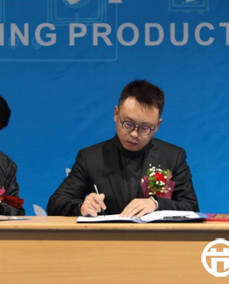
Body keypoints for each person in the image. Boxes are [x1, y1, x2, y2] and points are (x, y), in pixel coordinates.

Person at [47, 80, 198, 217]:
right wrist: (81, 207)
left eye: (144, 127)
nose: (134, 134)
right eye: (128, 124)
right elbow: (56, 204)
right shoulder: (91, 158)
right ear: (116, 114)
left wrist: (156, 204)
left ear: (157, 125)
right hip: (107, 238)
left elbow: (191, 207)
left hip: (155, 238)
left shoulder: (172, 156)